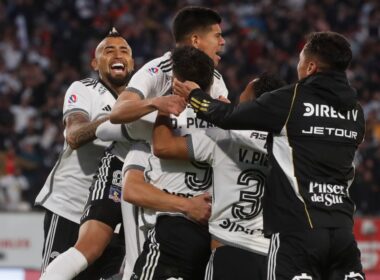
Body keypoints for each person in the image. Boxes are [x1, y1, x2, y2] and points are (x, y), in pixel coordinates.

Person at [174, 31, 366, 279]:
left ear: (310, 66)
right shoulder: (356, 111)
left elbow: (228, 116)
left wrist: (194, 96)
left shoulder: (293, 98)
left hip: (298, 232)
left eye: (299, 59)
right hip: (342, 233)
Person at [152, 73, 285, 280]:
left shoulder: (225, 136)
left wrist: (163, 108)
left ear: (252, 103)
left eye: (242, 95)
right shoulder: (289, 147)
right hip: (274, 257)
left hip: (229, 249)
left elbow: (162, 146)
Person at [37, 28, 134, 279]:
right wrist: (113, 120)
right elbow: (74, 135)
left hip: (112, 216)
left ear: (132, 63)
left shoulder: (139, 103)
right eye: (108, 50)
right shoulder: (84, 89)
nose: (117, 55)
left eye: (124, 50)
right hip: (71, 207)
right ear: (95, 62)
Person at [123, 45, 222, 280]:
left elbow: (132, 188)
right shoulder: (226, 125)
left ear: (175, 82)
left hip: (171, 236)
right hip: (215, 236)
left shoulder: (152, 129)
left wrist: (160, 107)